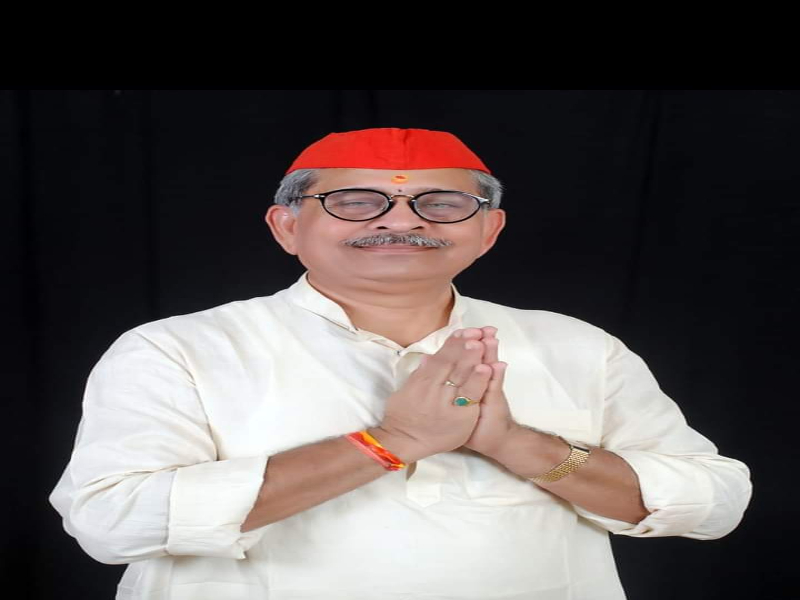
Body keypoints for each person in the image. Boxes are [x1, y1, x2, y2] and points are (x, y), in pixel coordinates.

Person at [49, 127, 753, 600]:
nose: (402, 220)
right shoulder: (179, 349)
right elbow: (112, 522)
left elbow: (715, 502)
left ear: (488, 230)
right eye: (356, 202)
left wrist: (518, 445)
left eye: (441, 204)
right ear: (287, 226)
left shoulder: (577, 346)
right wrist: (390, 444)